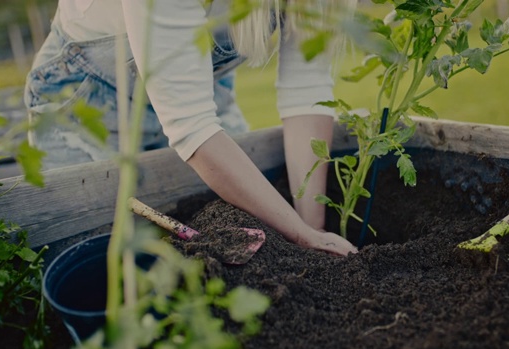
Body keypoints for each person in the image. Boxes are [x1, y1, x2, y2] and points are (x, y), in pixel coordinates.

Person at [24, 0, 358, 256]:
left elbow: (306, 89)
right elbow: (192, 125)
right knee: (97, 260)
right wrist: (297, 234)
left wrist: (311, 230)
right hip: (87, 108)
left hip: (200, 96)